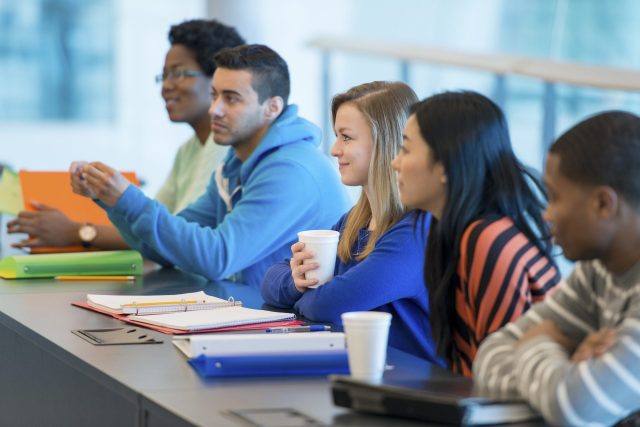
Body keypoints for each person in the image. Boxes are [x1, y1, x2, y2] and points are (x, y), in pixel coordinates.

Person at [69, 44, 350, 288]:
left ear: (272, 108)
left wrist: (127, 198)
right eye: (214, 95)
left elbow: (218, 258)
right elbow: (165, 247)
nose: (214, 109)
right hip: (256, 313)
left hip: (298, 330)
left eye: (231, 98)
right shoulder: (236, 162)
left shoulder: (290, 171)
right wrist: (111, 200)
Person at [7, 19, 244, 250]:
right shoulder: (188, 150)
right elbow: (149, 226)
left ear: (219, 78)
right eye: (164, 76)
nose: (166, 86)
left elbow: (172, 233)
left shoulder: (225, 149)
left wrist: (77, 231)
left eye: (179, 73)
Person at [474, 111, 640, 426]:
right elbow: (489, 357)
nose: (546, 215)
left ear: (604, 204)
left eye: (554, 197)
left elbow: (574, 407)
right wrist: (568, 365)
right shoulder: (597, 271)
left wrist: (538, 342)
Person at [260, 81, 441, 363]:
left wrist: (307, 294)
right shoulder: (354, 222)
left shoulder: (415, 233)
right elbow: (271, 280)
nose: (334, 149)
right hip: (362, 369)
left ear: (386, 142)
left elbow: (328, 305)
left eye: (346, 137)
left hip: (415, 389)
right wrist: (297, 282)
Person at [391, 91, 561, 377]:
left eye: (406, 150)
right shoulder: (449, 228)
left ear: (445, 164)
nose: (396, 163)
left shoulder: (487, 239)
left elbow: (499, 375)